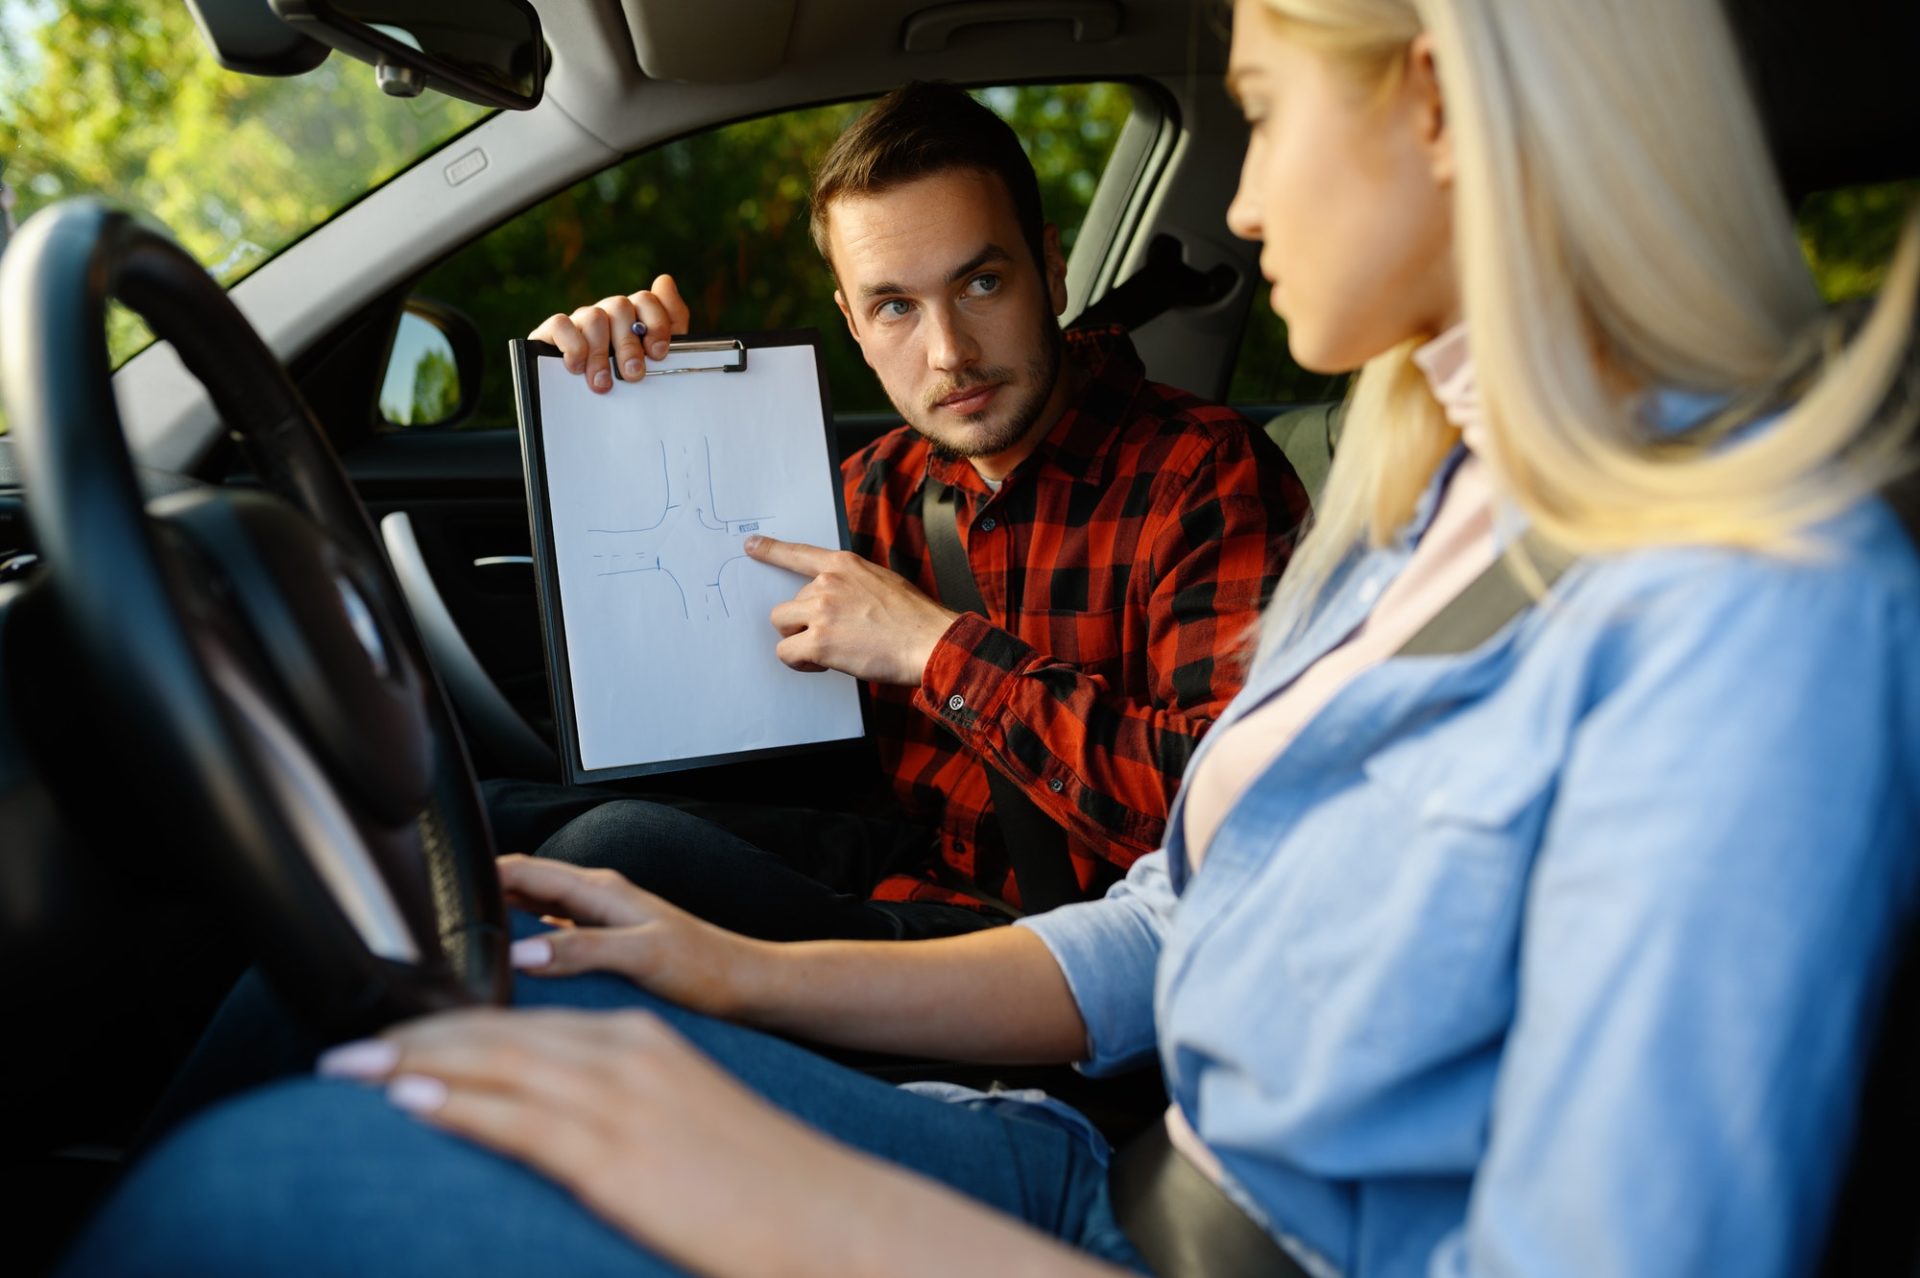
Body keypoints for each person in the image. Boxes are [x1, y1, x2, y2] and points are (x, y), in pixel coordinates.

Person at [59, 0, 1920, 1275]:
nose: (1249, 194)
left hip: (1141, 1204)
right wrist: (719, 969)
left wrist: (804, 1199)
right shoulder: (1422, 500)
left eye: (1261, 110)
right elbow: (1169, 922)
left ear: (1439, 96)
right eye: (891, 309)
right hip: (1096, 1156)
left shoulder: (1757, 605)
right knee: (525, 931)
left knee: (275, 1183)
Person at [488, 81, 1309, 942]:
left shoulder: (1203, 472)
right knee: (492, 821)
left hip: (1067, 951)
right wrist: (604, 405)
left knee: (613, 849)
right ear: (851, 322)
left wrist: (933, 649)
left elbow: (1228, 810)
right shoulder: (869, 487)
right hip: (905, 873)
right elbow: (671, 704)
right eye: (895, 307)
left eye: (982, 282)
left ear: (1052, 271)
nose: (949, 352)